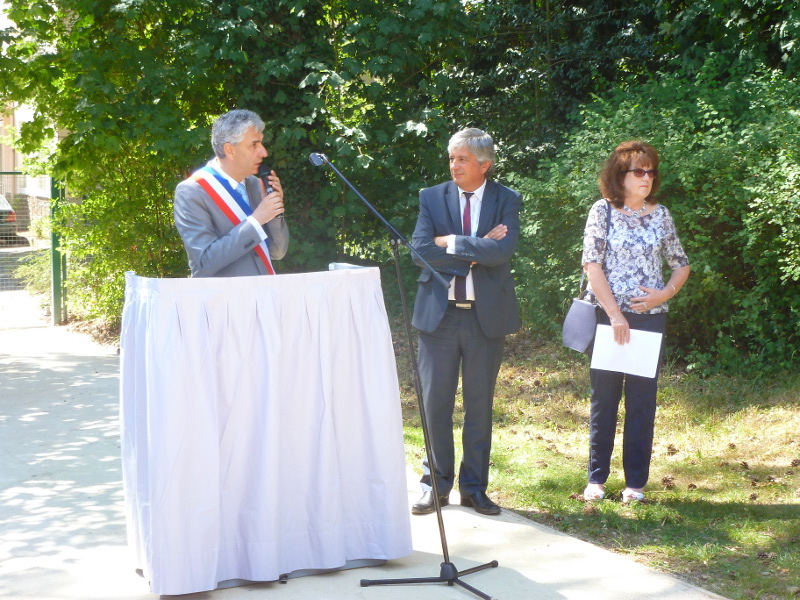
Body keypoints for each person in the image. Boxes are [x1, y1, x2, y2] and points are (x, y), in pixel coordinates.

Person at [409, 128, 522, 516]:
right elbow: (419, 251)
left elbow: (503, 249)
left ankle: (474, 488)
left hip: (483, 319)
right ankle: (435, 485)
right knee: (434, 403)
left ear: (484, 164)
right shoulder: (431, 197)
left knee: (479, 406)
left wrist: (450, 242)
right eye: (452, 158)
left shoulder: (507, 199)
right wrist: (476, 248)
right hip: (438, 321)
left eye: (462, 159)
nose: (454, 165)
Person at [581, 140, 690, 503]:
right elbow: (592, 265)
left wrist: (664, 294)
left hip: (649, 321)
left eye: (651, 171)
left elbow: (681, 263)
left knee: (642, 402)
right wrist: (614, 315)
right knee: (604, 399)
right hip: (608, 318)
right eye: (638, 171)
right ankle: (596, 479)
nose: (647, 177)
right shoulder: (603, 211)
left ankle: (635, 485)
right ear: (620, 175)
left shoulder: (660, 215)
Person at [174, 109, 289, 277]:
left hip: (262, 296)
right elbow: (205, 262)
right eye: (254, 144)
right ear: (230, 150)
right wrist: (257, 220)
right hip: (223, 300)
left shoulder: (257, 185)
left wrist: (274, 209)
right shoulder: (192, 191)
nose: (264, 152)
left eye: (262, 143)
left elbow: (278, 252)